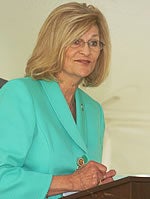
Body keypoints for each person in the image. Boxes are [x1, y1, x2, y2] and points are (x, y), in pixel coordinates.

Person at [0, 2, 116, 199]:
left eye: (94, 43)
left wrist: (97, 185)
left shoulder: (94, 110)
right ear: (55, 44)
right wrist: (71, 182)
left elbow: (82, 182)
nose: (86, 51)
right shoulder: (20, 93)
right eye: (76, 41)